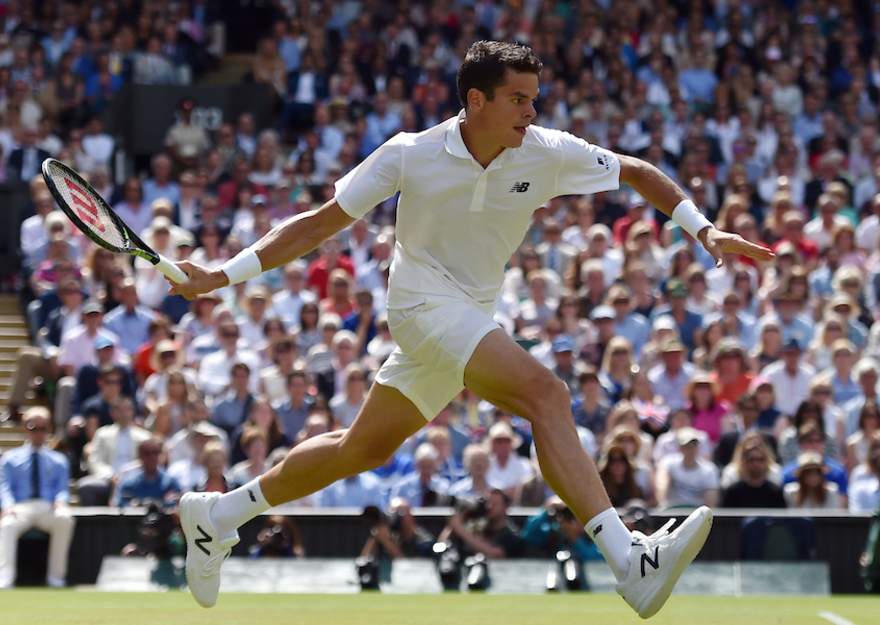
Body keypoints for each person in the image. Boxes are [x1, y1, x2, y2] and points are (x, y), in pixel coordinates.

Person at [172, 41, 770, 616]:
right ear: (476, 101)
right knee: (548, 395)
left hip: (469, 313)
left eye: (535, 99)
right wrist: (221, 276)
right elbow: (315, 226)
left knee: (362, 448)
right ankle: (628, 559)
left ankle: (218, 516)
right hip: (418, 305)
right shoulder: (409, 152)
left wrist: (705, 229)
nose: (531, 111)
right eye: (518, 99)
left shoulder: (548, 150)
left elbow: (637, 171)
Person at [0, 408, 75, 590]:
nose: (38, 432)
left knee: (65, 519)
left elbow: (62, 488)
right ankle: (3, 578)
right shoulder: (9, 459)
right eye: (33, 427)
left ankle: (56, 578)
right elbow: (4, 487)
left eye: (42, 428)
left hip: (47, 508)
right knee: (6, 524)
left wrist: (61, 501)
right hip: (20, 508)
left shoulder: (60, 460)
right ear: (24, 428)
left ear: (49, 429)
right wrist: (7, 506)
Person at [654, 428, 719, 508]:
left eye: (694, 445)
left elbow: (711, 501)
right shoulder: (669, 462)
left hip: (698, 515)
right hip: (672, 512)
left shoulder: (709, 470)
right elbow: (661, 485)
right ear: (680, 448)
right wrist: (663, 506)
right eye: (687, 446)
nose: (691, 449)